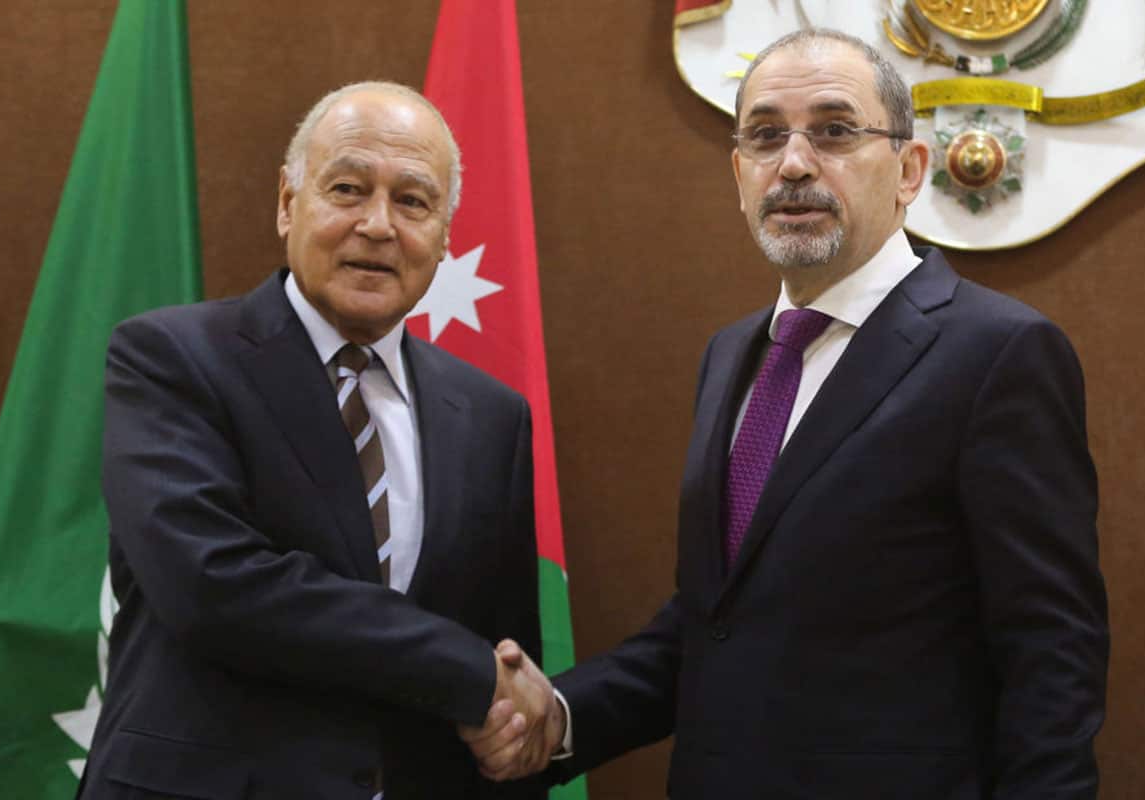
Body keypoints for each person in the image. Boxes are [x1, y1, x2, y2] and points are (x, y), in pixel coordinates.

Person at [462, 29, 1110, 799]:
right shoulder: (733, 355)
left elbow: (1052, 655)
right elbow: (719, 622)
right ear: (740, 175)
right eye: (766, 137)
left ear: (909, 170)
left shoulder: (998, 354)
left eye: (835, 131)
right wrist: (560, 713)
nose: (795, 164)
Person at [80, 81, 556, 799]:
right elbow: (213, 585)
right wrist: (464, 667)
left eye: (414, 201)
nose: (378, 225)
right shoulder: (171, 359)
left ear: (445, 236)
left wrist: (513, 727)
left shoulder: (492, 415)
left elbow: (509, 656)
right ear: (286, 203)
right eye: (347, 188)